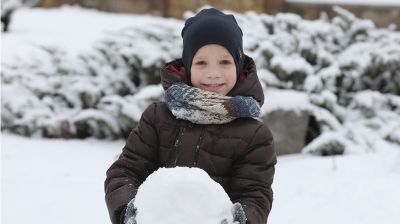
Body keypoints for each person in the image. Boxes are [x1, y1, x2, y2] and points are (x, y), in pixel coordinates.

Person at [105, 8, 276, 224]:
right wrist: (127, 212)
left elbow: (255, 195)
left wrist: (240, 220)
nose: (213, 73)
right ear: (187, 66)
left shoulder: (254, 135)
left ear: (239, 65)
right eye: (201, 62)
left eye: (224, 62)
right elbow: (125, 172)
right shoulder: (158, 118)